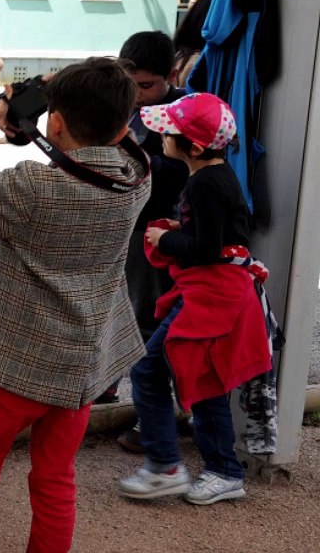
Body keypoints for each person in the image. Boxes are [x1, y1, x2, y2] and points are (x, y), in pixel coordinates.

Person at [0, 58, 150, 553]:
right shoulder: (138, 176)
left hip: (16, 362)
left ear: (55, 122)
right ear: (124, 123)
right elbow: (117, 133)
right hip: (81, 366)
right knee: (54, 478)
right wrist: (84, 97)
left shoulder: (36, 189)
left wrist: (0, 109)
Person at [118, 92, 271, 506]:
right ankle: (204, 468)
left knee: (155, 371)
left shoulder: (205, 183)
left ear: (196, 146)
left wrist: (165, 237)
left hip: (212, 295)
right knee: (197, 381)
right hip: (215, 292)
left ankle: (186, 467)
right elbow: (217, 239)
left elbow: (205, 249)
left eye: (169, 131)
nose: (161, 136)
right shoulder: (214, 176)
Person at [109, 32, 189, 432]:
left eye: (145, 86)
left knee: (148, 321)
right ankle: (105, 390)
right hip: (118, 225)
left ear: (170, 75)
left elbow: (178, 173)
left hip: (155, 231)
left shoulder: (183, 113)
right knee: (109, 311)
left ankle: (155, 421)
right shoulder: (120, 103)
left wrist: (132, 157)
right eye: (130, 86)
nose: (137, 96)